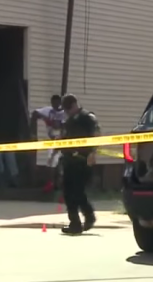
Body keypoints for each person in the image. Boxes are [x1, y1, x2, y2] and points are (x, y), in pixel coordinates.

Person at [59, 94, 100, 234]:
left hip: (82, 161)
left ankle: (89, 216)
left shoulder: (87, 118)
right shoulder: (69, 121)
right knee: (68, 192)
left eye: (69, 108)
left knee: (77, 192)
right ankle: (75, 224)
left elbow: (96, 135)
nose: (67, 111)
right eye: (65, 109)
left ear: (75, 104)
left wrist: (93, 153)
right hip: (69, 160)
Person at [30, 94, 67, 191]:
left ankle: (62, 183)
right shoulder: (48, 111)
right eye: (53, 104)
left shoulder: (64, 113)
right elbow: (34, 114)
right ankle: (51, 184)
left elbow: (64, 129)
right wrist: (33, 133)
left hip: (64, 140)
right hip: (52, 140)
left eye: (57, 103)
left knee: (62, 162)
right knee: (51, 162)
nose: (55, 106)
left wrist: (61, 141)